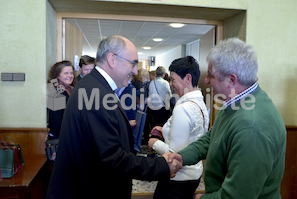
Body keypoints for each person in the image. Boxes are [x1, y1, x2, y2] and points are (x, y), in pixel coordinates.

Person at [46, 35, 182, 199]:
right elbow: (112, 159)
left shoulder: (94, 86)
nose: (135, 71)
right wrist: (161, 165)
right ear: (112, 59)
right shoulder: (94, 93)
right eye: (132, 63)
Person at [166, 38, 287, 199]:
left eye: (210, 76)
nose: (206, 81)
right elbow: (213, 137)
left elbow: (237, 195)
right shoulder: (236, 102)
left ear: (231, 80)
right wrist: (182, 156)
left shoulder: (251, 126)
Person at [148, 56, 209, 199]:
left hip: (177, 178)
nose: (170, 84)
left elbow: (174, 156)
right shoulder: (201, 103)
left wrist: (155, 143)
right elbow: (194, 135)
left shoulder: (183, 108)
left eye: (173, 79)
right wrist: (166, 132)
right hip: (194, 174)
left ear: (187, 78)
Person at [47, 60, 76, 139]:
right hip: (61, 137)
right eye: (66, 73)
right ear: (57, 75)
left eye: (71, 73)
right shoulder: (56, 93)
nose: (70, 76)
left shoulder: (71, 89)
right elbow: (56, 123)